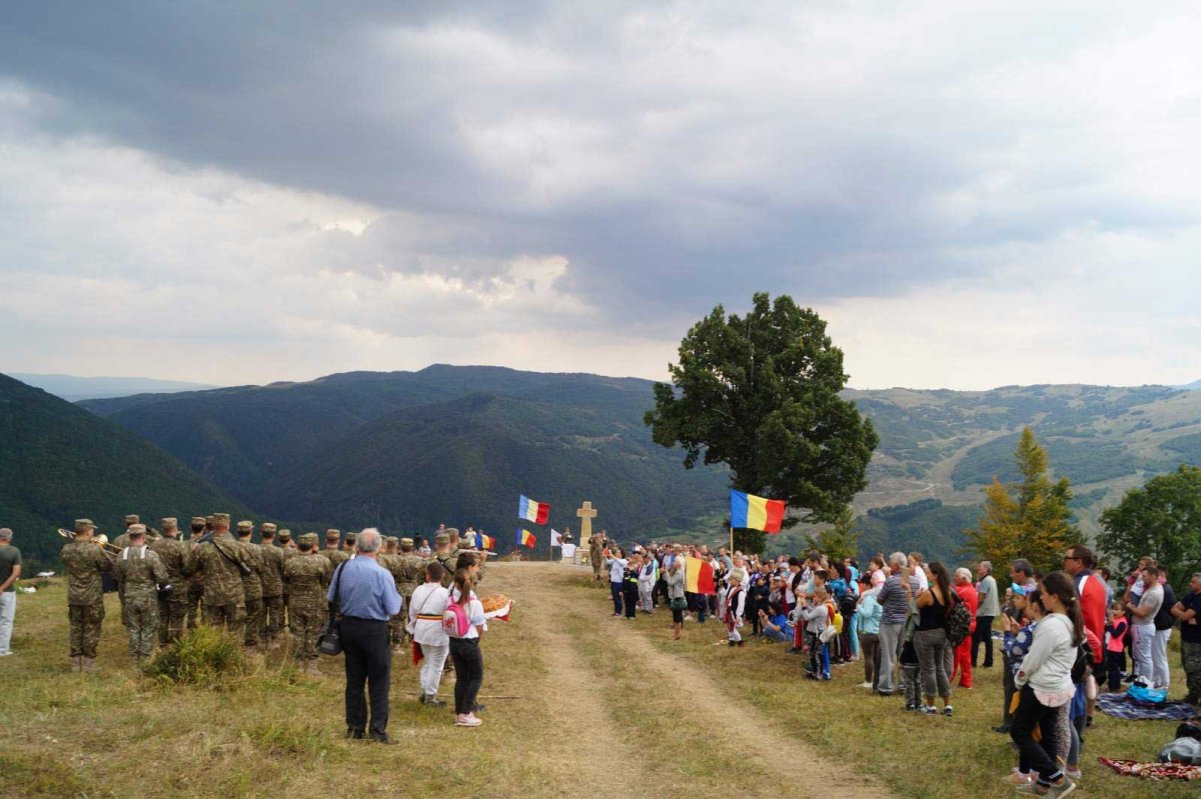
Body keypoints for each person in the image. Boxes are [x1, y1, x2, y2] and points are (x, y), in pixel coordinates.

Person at [1008, 572, 1083, 797]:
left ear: (1055, 596)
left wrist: (1019, 680)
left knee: (1020, 732)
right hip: (1059, 686)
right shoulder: (1069, 622)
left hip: (1041, 687)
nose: (1040, 598)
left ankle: (1057, 777)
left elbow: (1033, 659)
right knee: (1048, 734)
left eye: (1043, 593)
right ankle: (1043, 785)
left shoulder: (1051, 626)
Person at [328, 528, 400, 744]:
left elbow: (331, 597)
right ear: (379, 548)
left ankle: (355, 727)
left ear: (357, 546)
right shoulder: (382, 574)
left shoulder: (342, 568)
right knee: (379, 680)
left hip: (348, 626)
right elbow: (393, 608)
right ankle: (377, 730)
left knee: (354, 679)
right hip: (374, 629)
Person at [60, 519, 113, 673]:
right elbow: (107, 566)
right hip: (92, 596)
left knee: (76, 627)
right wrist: (100, 548)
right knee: (91, 628)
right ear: (89, 531)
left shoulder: (66, 549)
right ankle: (88, 663)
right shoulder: (94, 549)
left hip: (74, 595)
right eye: (92, 530)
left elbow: (66, 563)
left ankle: (76, 663)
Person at [113, 525, 168, 662]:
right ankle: (145, 657)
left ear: (129, 537)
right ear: (144, 537)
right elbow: (162, 577)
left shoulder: (121, 555)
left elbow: (118, 577)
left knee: (133, 628)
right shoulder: (150, 555)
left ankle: (134, 658)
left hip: (129, 596)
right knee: (148, 627)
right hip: (148, 597)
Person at [190, 513, 249, 639]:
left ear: (212, 526)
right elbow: (251, 564)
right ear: (228, 526)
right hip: (234, 593)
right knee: (235, 630)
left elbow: (191, 568)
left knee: (213, 630)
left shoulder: (202, 547)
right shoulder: (237, 546)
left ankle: (215, 650)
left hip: (212, 594)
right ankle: (233, 650)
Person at [284, 533, 332, 675]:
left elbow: (286, 579)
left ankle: (298, 664)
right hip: (315, 603)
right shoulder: (322, 561)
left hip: (296, 602)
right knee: (314, 633)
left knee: (297, 633)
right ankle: (312, 665)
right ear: (313, 546)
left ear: (298, 546)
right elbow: (327, 580)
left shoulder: (290, 562)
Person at [447, 567, 487, 727]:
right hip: (469, 641)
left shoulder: (449, 600)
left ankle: (459, 712)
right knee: (476, 676)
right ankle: (466, 712)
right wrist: (476, 640)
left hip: (454, 641)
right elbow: (479, 625)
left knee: (462, 677)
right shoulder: (474, 603)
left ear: (455, 583)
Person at [913, 561, 954, 715]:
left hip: (925, 633)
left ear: (935, 575)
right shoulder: (947, 591)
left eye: (928, 572)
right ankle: (947, 703)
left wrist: (913, 595)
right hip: (941, 633)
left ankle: (931, 705)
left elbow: (914, 607)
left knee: (928, 669)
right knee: (940, 667)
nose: (926, 575)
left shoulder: (928, 594)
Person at [409, 561, 451, 706]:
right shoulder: (445, 593)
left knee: (428, 661)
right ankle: (430, 696)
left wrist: (414, 626)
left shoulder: (418, 590)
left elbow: (412, 612)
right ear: (443, 575)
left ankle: (425, 690)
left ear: (427, 576)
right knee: (437, 663)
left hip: (421, 628)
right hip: (438, 629)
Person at [876, 551, 912, 696]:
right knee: (905, 655)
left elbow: (880, 599)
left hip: (890, 621)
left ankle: (886, 686)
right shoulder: (914, 581)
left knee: (888, 655)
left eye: (891, 563)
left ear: (896, 565)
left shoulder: (890, 582)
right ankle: (904, 685)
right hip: (907, 621)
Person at [1125, 564, 1163, 689]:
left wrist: (1130, 607)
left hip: (1143, 627)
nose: (1142, 579)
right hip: (1140, 626)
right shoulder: (1151, 589)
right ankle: (1141, 680)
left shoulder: (1154, 593)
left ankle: (1145, 684)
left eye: (1145, 576)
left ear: (1152, 576)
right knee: (1140, 656)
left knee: (1145, 657)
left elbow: (1142, 613)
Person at [1170, 572, 1201, 704]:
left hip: (1196, 640)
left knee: (1195, 669)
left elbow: (1184, 616)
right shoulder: (1190, 596)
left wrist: (1184, 615)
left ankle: (1197, 695)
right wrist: (1184, 615)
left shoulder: (1199, 600)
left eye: (1193, 582)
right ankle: (1192, 695)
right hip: (1186, 637)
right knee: (1187, 666)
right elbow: (1173, 609)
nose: (1190, 584)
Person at [950, 567, 979, 689]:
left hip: (961, 626)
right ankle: (966, 681)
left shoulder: (960, 591)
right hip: (970, 624)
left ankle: (948, 679)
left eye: (956, 576)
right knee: (965, 655)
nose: (954, 578)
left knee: (956, 654)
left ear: (963, 578)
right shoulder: (972, 590)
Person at [856, 573, 883, 690]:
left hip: (868, 631)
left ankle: (868, 681)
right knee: (877, 658)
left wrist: (858, 607)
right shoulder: (880, 599)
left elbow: (867, 613)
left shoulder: (868, 598)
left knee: (868, 657)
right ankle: (878, 679)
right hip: (878, 631)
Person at [0, 528, 22, 657]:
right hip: (7, 592)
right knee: (6, 621)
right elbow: (16, 573)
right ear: (10, 538)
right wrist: (2, 587)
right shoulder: (14, 551)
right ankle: (2, 650)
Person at [974, 560, 999, 668]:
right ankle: (988, 661)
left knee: (976, 637)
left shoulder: (985, 581)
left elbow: (981, 598)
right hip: (991, 612)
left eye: (980, 566)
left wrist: (974, 609)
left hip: (983, 612)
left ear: (986, 569)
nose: (978, 568)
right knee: (987, 637)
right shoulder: (992, 579)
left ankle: (972, 661)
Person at [1104, 601, 1129, 692]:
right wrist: (1108, 624)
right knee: (1111, 668)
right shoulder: (1115, 620)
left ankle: (1113, 687)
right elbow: (1107, 630)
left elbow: (1115, 634)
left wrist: (1111, 624)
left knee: (1113, 669)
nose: (1113, 611)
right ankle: (1114, 686)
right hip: (1110, 647)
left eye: (1117, 609)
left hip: (1115, 648)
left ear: (1123, 612)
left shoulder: (1122, 622)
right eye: (1113, 609)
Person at [603, 547, 628, 617]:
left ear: (622, 554)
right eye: (616, 552)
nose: (616, 553)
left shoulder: (624, 561)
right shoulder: (615, 560)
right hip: (613, 581)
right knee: (615, 597)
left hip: (619, 582)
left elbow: (620, 562)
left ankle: (619, 612)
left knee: (618, 597)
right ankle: (616, 611)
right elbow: (608, 562)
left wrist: (611, 555)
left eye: (618, 552)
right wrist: (605, 556)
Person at [666, 556, 686, 640]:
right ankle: (676, 633)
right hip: (677, 595)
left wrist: (666, 573)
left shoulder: (678, 573)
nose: (673, 563)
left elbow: (671, 582)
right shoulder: (678, 572)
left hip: (677, 596)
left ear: (679, 563)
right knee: (676, 615)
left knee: (677, 616)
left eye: (675, 561)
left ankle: (677, 634)